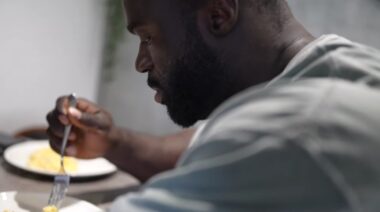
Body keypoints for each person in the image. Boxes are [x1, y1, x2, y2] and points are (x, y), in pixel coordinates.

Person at [47, 0, 380, 211]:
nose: (140, 62)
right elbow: (202, 147)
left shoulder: (297, 130)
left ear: (219, 16)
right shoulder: (349, 69)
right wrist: (112, 141)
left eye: (148, 37)